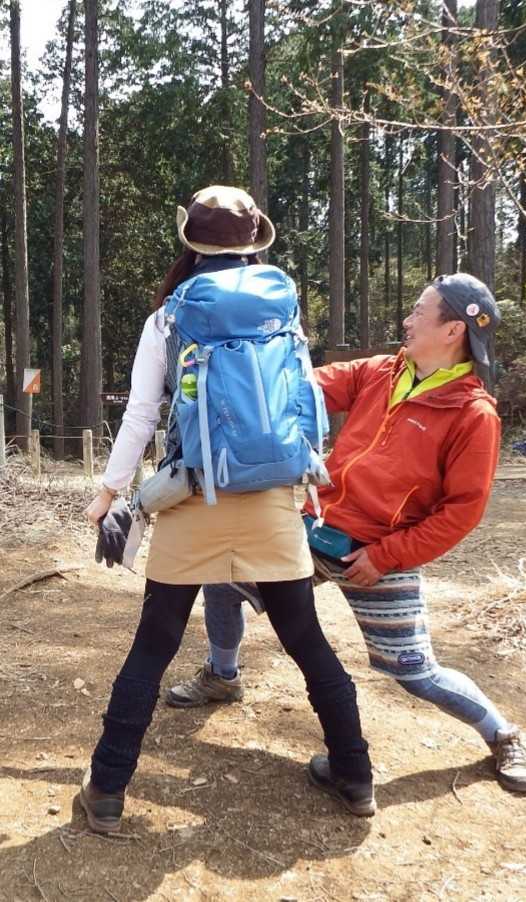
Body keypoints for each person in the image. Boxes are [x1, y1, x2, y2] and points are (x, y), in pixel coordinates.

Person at [168, 272, 526, 795]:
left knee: (415, 672)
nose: (407, 320)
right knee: (224, 583)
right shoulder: (381, 372)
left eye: (419, 311)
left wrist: (387, 556)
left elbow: (462, 511)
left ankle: (503, 735)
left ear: (453, 329)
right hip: (314, 526)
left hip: (379, 553)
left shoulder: (473, 414)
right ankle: (222, 677)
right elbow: (304, 384)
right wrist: (238, 371)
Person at [80, 186, 374, 834]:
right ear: (251, 243)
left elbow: (141, 414)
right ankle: (355, 774)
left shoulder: (171, 316)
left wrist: (109, 494)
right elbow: (301, 396)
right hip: (273, 497)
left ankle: (106, 790)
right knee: (306, 640)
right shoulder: (281, 303)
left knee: (154, 645)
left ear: (192, 241)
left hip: (195, 495)